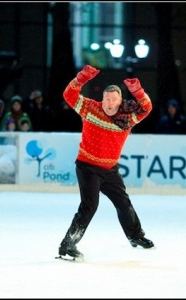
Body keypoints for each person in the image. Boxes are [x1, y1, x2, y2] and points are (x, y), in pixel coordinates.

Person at [57, 65, 155, 261]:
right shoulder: (90, 108)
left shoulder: (127, 118)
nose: (109, 103)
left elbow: (147, 107)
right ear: (102, 99)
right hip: (87, 167)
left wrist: (137, 90)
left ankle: (136, 236)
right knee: (90, 206)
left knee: (123, 203)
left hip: (110, 169)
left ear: (120, 101)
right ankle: (67, 244)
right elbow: (69, 94)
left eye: (114, 100)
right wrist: (81, 78)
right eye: (107, 99)